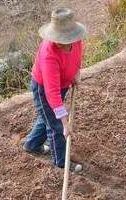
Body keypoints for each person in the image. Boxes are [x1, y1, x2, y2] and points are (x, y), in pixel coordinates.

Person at [23, 8, 86, 172]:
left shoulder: (76, 39)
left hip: (64, 84)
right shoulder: (48, 54)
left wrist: (76, 72)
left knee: (48, 118)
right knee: (56, 125)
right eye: (62, 40)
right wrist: (65, 123)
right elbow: (52, 94)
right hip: (44, 89)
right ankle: (61, 162)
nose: (66, 43)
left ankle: (32, 144)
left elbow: (77, 56)